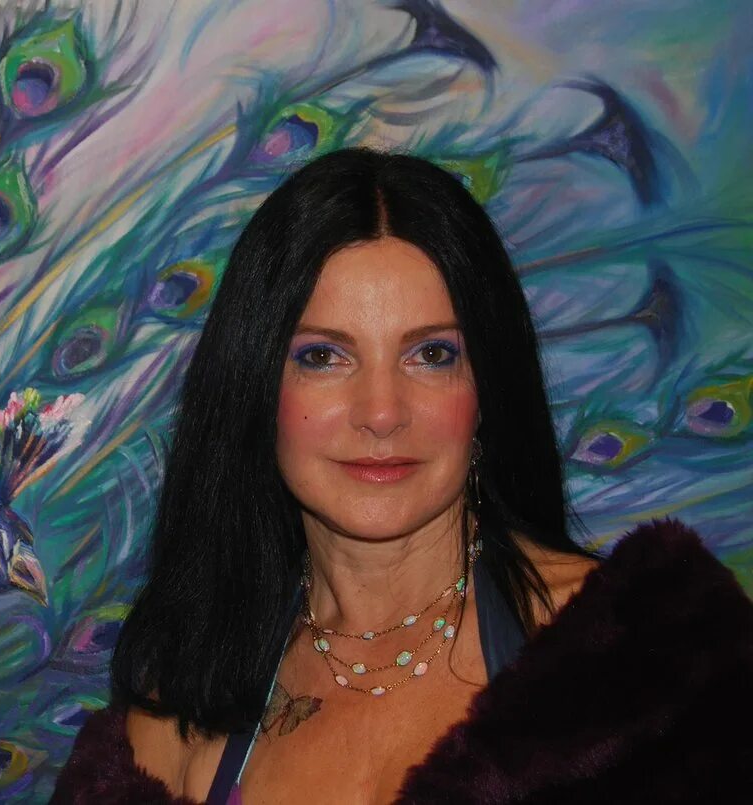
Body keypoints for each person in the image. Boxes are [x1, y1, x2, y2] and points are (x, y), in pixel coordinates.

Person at [50, 148, 753, 803]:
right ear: (255, 386)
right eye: (323, 356)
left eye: (432, 354)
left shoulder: (651, 666)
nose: (382, 412)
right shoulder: (181, 707)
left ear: (486, 386)